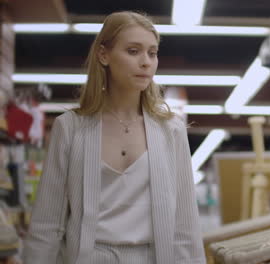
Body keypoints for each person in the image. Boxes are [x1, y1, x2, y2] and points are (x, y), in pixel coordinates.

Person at [22, 11, 206, 264]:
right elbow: (47, 224)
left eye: (152, 53)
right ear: (103, 54)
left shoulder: (171, 131)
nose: (146, 62)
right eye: (133, 51)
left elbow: (185, 227)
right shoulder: (70, 128)